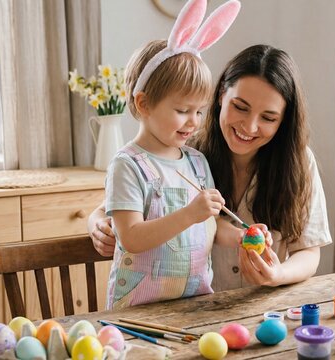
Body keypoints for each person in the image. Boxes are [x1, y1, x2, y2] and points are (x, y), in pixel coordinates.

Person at [90, 44, 332, 291]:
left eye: (268, 118)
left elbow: (308, 251)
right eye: (240, 107)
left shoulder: (297, 162)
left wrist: (277, 273)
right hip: (194, 309)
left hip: (264, 310)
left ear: (283, 121)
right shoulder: (183, 149)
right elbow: (111, 211)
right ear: (220, 96)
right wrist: (97, 224)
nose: (249, 127)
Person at [103, 0, 241, 309]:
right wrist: (189, 213)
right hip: (139, 312)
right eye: (182, 110)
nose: (194, 121)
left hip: (194, 306)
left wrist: (242, 237)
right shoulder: (127, 165)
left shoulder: (196, 162)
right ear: (144, 104)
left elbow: (210, 228)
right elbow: (132, 238)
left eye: (200, 111)